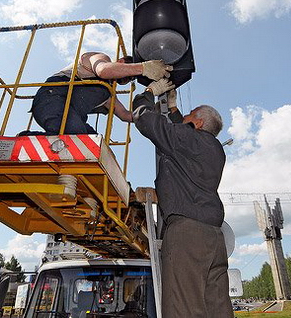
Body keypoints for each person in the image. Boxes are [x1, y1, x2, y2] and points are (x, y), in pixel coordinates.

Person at [132, 78, 233, 318]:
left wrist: (147, 93)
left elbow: (144, 119)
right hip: (213, 236)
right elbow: (181, 135)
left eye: (189, 115)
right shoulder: (213, 148)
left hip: (187, 233)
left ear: (198, 123)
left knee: (183, 307)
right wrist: (175, 110)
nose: (183, 118)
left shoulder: (190, 141)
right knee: (216, 307)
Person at [30, 52, 172, 135]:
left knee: (94, 143)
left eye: (131, 78)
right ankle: (27, 138)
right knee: (78, 137)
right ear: (121, 62)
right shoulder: (100, 58)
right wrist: (143, 68)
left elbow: (126, 115)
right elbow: (103, 71)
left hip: (71, 114)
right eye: (129, 72)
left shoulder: (107, 93)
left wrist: (153, 106)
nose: (128, 78)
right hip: (51, 99)